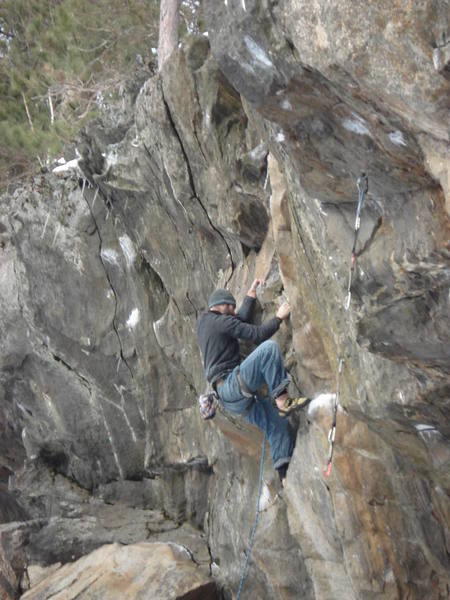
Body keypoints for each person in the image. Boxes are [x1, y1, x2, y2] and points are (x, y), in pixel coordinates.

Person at [196, 279, 310, 484]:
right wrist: (278, 318)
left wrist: (250, 296)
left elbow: (237, 321)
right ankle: (283, 401)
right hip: (232, 385)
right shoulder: (220, 321)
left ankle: (283, 474)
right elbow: (255, 335)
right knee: (269, 349)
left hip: (231, 400)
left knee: (277, 425)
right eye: (230, 307)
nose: (232, 311)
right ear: (219, 306)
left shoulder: (206, 324)